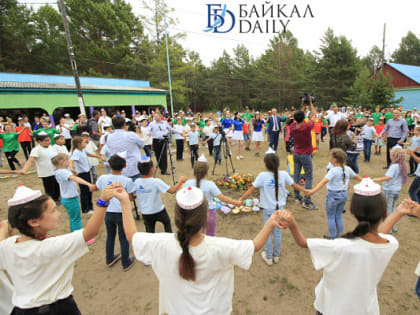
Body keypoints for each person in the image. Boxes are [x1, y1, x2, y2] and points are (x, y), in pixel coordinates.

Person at [118, 182, 284, 314]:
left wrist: (125, 202)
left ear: (176, 217)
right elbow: (253, 246)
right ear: (206, 217)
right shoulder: (220, 247)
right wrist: (270, 223)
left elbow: (132, 236)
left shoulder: (161, 243)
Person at [278, 178, 415, 315]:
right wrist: (398, 212)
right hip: (365, 309)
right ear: (385, 213)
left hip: (331, 308)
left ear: (351, 210)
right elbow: (380, 235)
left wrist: (292, 224)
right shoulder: (390, 244)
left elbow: (303, 242)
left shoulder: (340, 246)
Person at [0, 183, 117, 314]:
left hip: (22, 310)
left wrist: (4, 230)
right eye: (53, 210)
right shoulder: (52, 247)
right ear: (33, 222)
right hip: (57, 309)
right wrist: (102, 201)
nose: (59, 214)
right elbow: (90, 232)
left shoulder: (8, 245)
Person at [239, 148, 307, 265]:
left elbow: (252, 189)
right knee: (277, 233)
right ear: (278, 163)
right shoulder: (284, 174)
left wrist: (242, 198)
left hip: (268, 210)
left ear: (266, 164)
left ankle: (269, 256)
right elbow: (295, 185)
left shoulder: (262, 176)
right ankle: (276, 256)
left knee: (268, 232)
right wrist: (305, 191)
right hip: (281, 209)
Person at [306, 149, 362, 239]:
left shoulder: (333, 171)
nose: (330, 158)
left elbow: (323, 182)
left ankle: (332, 237)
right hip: (343, 195)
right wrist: (367, 181)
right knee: (338, 216)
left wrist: (313, 191)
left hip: (333, 196)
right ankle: (339, 235)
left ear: (335, 159)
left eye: (331, 157)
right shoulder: (347, 169)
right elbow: (357, 177)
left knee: (331, 217)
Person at [94, 154, 136, 271]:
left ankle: (109, 258)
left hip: (108, 212)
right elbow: (131, 197)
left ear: (109, 166)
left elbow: (96, 187)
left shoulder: (103, 178)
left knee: (110, 236)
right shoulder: (127, 180)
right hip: (122, 212)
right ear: (125, 166)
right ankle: (126, 262)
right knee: (124, 238)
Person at [185, 155, 242, 236]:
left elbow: (183, 195)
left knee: (195, 236)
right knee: (210, 236)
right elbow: (223, 198)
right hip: (209, 213)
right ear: (207, 171)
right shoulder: (210, 185)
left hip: (193, 213)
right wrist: (236, 203)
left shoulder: (188, 183)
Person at [133, 155, 186, 233]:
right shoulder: (156, 181)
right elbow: (172, 190)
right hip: (159, 210)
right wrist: (180, 182)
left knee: (149, 231)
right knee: (167, 223)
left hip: (145, 212)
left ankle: (151, 244)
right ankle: (169, 238)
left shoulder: (137, 182)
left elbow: (132, 196)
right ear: (152, 169)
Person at [52, 153, 95, 237]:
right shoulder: (62, 172)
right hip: (70, 199)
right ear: (61, 162)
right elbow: (74, 178)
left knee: (73, 219)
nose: (69, 162)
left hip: (67, 198)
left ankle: (74, 235)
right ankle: (78, 238)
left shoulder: (60, 171)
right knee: (76, 219)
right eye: (67, 160)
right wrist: (88, 184)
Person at [290, 98, 318, 210]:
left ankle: (297, 197)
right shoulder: (306, 126)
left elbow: (297, 116)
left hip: (296, 153)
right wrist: (310, 104)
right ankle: (307, 201)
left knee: (296, 175)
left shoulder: (292, 127)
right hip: (306, 154)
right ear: (303, 118)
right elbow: (315, 115)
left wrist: (304, 106)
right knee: (309, 177)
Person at [373, 146, 407, 233]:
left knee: (387, 209)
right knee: (393, 208)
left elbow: (388, 177)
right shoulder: (403, 165)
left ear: (394, 156)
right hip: (397, 190)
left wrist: (375, 180)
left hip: (390, 190)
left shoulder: (394, 166)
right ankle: (393, 226)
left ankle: (389, 228)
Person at [21, 132, 60, 202]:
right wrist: (24, 169)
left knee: (57, 186)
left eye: (49, 140)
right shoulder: (36, 150)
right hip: (46, 173)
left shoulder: (51, 147)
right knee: (49, 188)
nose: (48, 142)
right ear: (39, 141)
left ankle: (57, 198)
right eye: (46, 141)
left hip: (55, 171)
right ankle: (51, 200)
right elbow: (30, 160)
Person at [70, 136, 104, 215]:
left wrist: (99, 156)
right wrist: (72, 169)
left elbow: (89, 154)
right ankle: (85, 209)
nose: (85, 144)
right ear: (78, 144)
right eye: (84, 142)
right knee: (84, 191)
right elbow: (71, 161)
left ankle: (90, 206)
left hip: (87, 172)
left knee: (89, 189)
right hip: (82, 174)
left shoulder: (82, 150)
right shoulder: (76, 152)